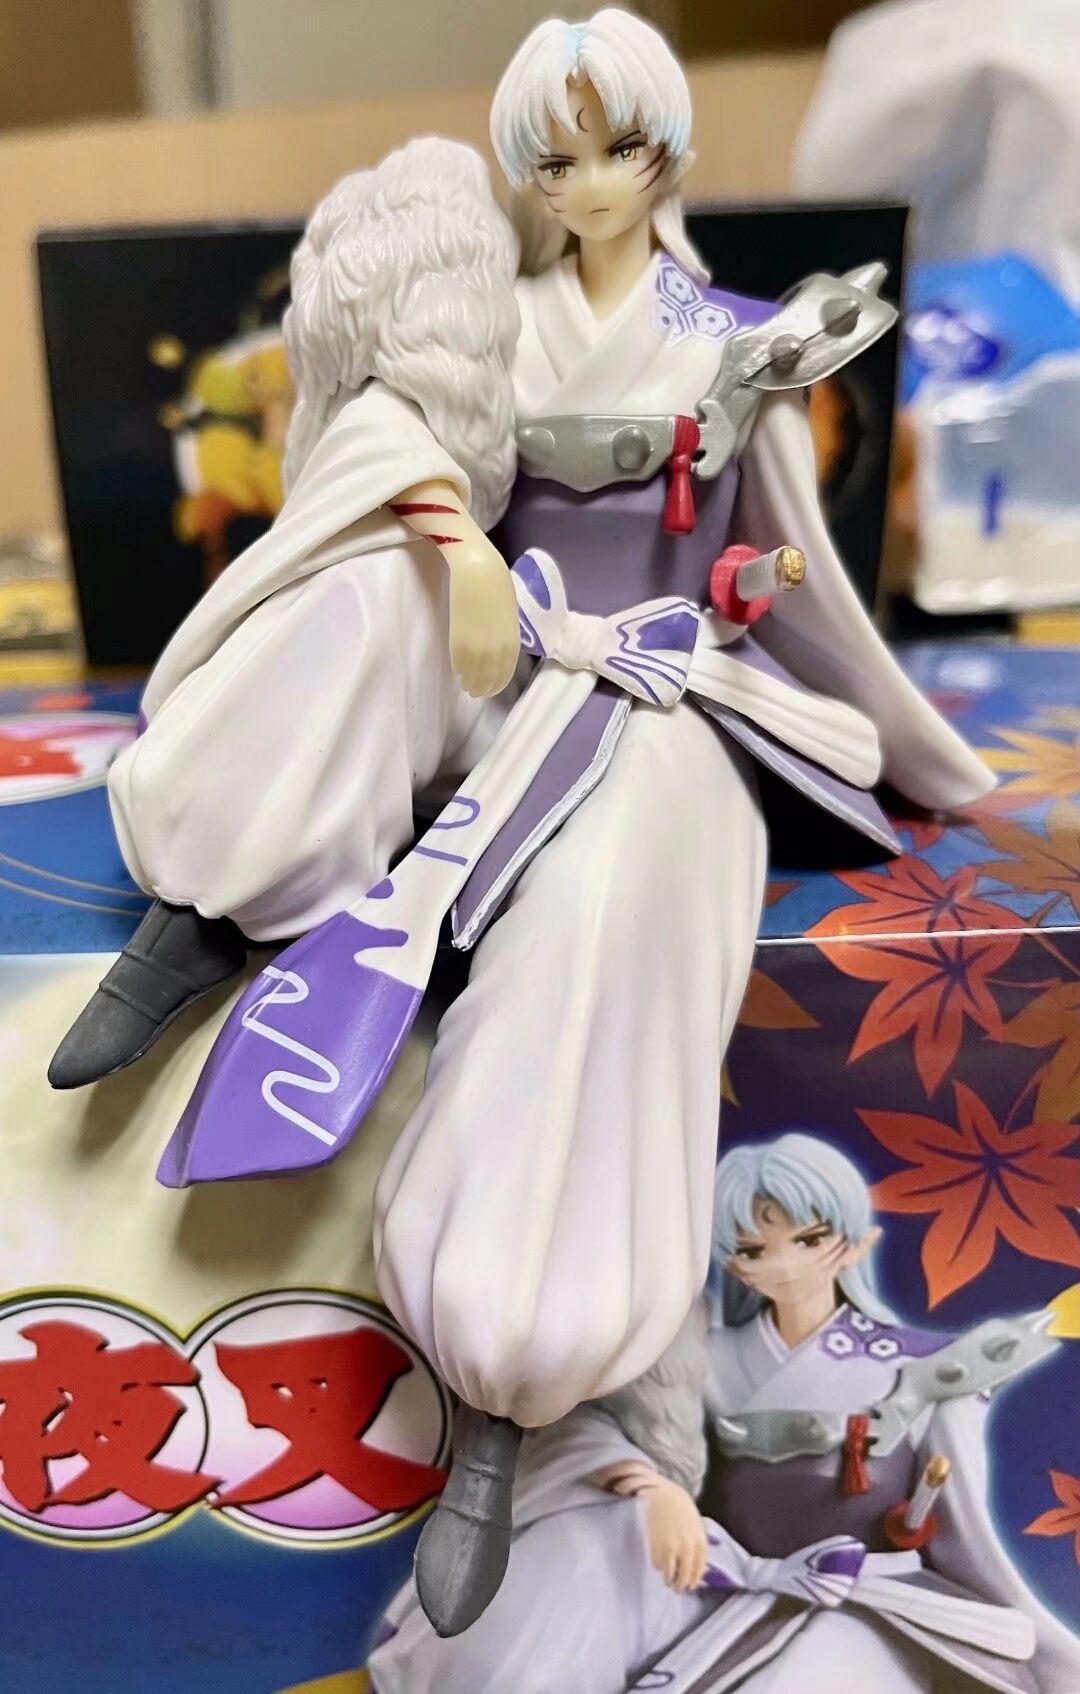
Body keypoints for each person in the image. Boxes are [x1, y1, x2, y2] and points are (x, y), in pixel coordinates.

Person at [52, 9, 997, 1634]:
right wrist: (449, 536)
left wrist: (750, 587)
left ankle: (510, 1378)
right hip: (504, 657)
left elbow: (762, 576)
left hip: (655, 697)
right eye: (552, 157)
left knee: (600, 914)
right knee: (364, 599)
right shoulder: (488, 306)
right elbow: (379, 434)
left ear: (667, 150)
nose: (587, 183)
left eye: (616, 147)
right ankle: (213, 898)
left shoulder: (733, 339)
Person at [366, 1134, 1080, 1694]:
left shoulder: (927, 1368)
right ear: (732, 1261)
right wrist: (652, 1487)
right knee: (596, 1542)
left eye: (808, 1239)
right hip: (716, 1582)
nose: (783, 1264)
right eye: (752, 1248)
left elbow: (966, 1537)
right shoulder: (700, 1354)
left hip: (869, 1607)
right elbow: (587, 1428)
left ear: (854, 1243)